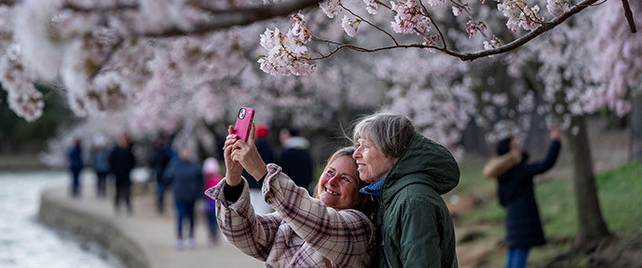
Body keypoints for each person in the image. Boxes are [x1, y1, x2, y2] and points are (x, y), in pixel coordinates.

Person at [206, 122, 378, 267]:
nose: (332, 182)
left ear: (362, 191)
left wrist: (260, 170)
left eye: (345, 179)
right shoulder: (292, 222)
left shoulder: (360, 228)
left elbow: (320, 224)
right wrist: (233, 177)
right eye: (330, 172)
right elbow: (245, 235)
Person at [352, 111, 459, 267]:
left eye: (366, 146)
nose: (356, 154)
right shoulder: (393, 197)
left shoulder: (413, 201)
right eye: (358, 145)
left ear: (395, 152)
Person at [483, 125, 562, 268]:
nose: (518, 147)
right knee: (519, 257)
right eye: (514, 146)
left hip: (512, 221)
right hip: (524, 219)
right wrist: (555, 141)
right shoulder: (519, 170)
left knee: (513, 254)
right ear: (508, 152)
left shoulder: (501, 175)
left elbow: (502, 201)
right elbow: (546, 164)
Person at [162, 146, 204, 249]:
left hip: (192, 195)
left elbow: (200, 181)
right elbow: (167, 178)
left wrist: (199, 195)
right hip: (179, 195)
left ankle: (191, 237)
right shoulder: (174, 165)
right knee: (180, 216)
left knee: (191, 217)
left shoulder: (194, 165)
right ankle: (179, 238)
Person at [241, 123, 277, 214]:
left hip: (251, 183)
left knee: (252, 210)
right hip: (264, 183)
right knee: (263, 212)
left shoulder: (250, 148)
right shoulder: (270, 149)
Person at [279, 126, 314, 191]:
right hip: (304, 189)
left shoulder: (286, 153)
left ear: (289, 135)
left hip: (288, 188)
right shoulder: (306, 152)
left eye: (284, 134)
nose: (281, 137)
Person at [109, 132, 137, 213]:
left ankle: (128, 207)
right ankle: (117, 205)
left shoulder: (129, 150)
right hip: (118, 174)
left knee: (128, 191)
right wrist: (114, 170)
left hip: (127, 174)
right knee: (118, 191)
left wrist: (130, 168)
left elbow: (133, 161)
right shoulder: (115, 150)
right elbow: (111, 161)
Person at [149, 133, 174, 214]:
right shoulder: (160, 151)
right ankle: (160, 205)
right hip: (161, 174)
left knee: (161, 190)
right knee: (161, 190)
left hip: (163, 173)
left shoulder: (163, 151)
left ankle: (160, 205)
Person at [202, 156, 223, 246]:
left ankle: (214, 237)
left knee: (214, 222)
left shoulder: (219, 179)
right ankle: (212, 236)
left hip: (215, 205)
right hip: (209, 205)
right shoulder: (205, 180)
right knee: (210, 222)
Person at [90, 134, 111, 198]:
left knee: (103, 180)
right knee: (99, 180)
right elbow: (94, 160)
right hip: (98, 168)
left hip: (104, 168)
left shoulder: (106, 151)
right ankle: (99, 192)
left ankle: (103, 192)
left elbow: (108, 159)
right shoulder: (96, 152)